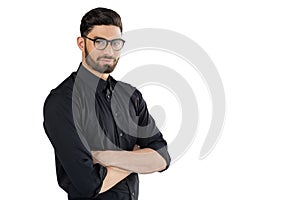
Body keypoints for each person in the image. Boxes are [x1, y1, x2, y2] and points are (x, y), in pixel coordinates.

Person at [43, 7, 171, 200]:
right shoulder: (62, 101)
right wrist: (137, 158)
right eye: (100, 42)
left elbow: (162, 157)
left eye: (116, 43)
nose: (109, 51)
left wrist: (105, 158)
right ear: (81, 43)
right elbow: (88, 185)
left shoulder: (131, 95)